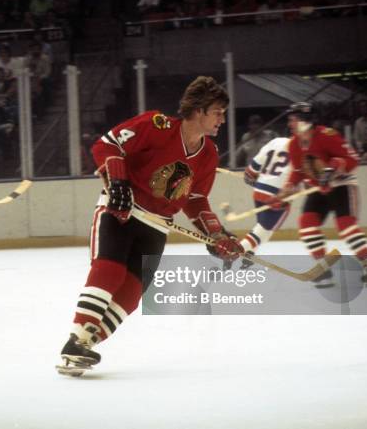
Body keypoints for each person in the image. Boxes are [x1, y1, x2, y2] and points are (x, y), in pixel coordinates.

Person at [56, 76, 243, 376]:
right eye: (217, 112)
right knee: (111, 270)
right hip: (122, 211)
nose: (222, 118)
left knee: (131, 292)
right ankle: (76, 340)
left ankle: (84, 344)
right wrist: (118, 182)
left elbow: (195, 199)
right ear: (198, 110)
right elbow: (107, 145)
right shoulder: (158, 126)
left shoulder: (208, 154)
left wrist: (216, 234)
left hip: (157, 226)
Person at [276, 102, 367, 287]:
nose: (290, 123)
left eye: (294, 119)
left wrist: (333, 169)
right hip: (318, 189)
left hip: (341, 186)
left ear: (307, 120)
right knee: (307, 224)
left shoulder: (326, 135)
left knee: (346, 226)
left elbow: (352, 158)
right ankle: (323, 268)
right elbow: (298, 171)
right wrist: (288, 187)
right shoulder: (293, 144)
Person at [239, 136, 292, 268]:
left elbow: (253, 167)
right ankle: (234, 251)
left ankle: (249, 254)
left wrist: (250, 175)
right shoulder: (302, 148)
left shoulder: (276, 141)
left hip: (259, 191)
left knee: (262, 229)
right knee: (264, 230)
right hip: (278, 195)